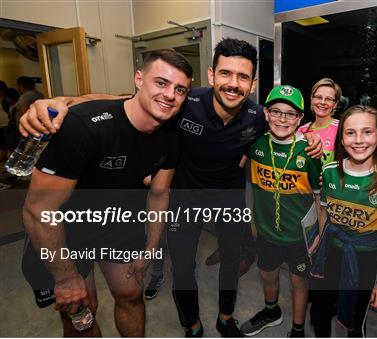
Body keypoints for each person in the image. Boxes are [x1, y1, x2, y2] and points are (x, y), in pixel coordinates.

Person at [19, 38, 322, 337]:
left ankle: (226, 316)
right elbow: (120, 100)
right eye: (226, 73)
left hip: (228, 198)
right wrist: (61, 102)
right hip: (184, 197)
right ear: (211, 75)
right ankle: (191, 324)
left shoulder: (257, 117)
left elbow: (287, 128)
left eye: (243, 76)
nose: (233, 83)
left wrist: (311, 137)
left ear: (253, 83)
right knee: (183, 267)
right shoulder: (184, 102)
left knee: (232, 259)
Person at [21, 49, 192, 336]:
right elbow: (38, 211)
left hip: (120, 223)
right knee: (82, 309)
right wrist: (65, 279)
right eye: (160, 83)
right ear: (139, 79)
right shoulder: (82, 128)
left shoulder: (172, 135)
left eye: (180, 89)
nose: (170, 95)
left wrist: (150, 249)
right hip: (69, 230)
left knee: (130, 295)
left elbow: (159, 195)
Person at [309, 105, 377, 337]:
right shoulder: (331, 171)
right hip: (331, 252)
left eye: (367, 132)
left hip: (365, 258)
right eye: (350, 133)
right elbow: (324, 214)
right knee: (319, 313)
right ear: (341, 139)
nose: (358, 140)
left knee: (355, 321)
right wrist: (318, 242)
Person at [239, 85, 321, 337]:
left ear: (299, 119)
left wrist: (320, 233)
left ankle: (297, 328)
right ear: (266, 113)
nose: (282, 119)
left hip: (299, 237)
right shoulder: (255, 145)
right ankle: (271, 311)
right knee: (267, 275)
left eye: (290, 114)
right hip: (266, 233)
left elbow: (320, 197)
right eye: (276, 112)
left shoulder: (309, 152)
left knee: (299, 283)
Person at [297, 77, 342, 166]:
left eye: (328, 99)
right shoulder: (302, 130)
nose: (322, 102)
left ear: (335, 104)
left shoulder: (341, 128)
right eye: (318, 97)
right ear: (311, 99)